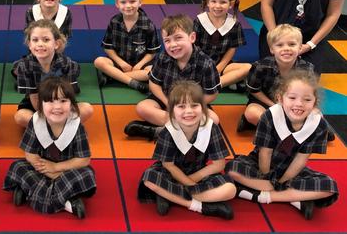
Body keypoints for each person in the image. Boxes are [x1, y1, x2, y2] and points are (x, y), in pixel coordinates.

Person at [226, 70, 338, 220]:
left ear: (315, 102)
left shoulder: (318, 124)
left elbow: (300, 159)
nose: (299, 104)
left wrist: (281, 183)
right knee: (231, 169)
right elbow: (265, 153)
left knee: (329, 187)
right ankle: (294, 199)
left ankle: (261, 196)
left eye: (307, 99)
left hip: (291, 172)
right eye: (292, 97)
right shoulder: (270, 116)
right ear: (280, 98)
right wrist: (267, 178)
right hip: (260, 166)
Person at [137, 81, 235, 220]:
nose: (188, 111)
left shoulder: (210, 128)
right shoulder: (168, 131)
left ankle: (169, 196)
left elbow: (219, 165)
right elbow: (168, 165)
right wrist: (190, 185)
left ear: (203, 108)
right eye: (181, 106)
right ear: (172, 111)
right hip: (171, 173)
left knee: (230, 189)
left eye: (194, 105)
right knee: (150, 179)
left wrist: (190, 181)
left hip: (199, 173)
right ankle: (200, 206)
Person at [3, 77, 95, 218]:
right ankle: (68, 202)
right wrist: (49, 171)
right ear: (41, 104)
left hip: (65, 169)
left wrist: (56, 168)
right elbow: (30, 154)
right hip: (42, 168)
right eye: (51, 101)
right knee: (18, 166)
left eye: (63, 101)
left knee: (87, 174)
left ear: (72, 104)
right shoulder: (36, 122)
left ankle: (29, 193)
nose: (57, 107)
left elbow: (83, 160)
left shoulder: (76, 125)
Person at [125, 14, 221, 140]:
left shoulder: (206, 63)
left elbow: (212, 93)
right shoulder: (162, 58)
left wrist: (188, 106)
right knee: (142, 108)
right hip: (166, 98)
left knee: (213, 120)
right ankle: (182, 131)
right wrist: (168, 103)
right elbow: (154, 84)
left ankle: (158, 131)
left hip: (192, 103)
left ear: (192, 37)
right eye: (167, 40)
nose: (173, 45)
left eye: (178, 38)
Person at [14, 20, 93, 127]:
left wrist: (59, 112)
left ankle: (48, 128)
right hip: (36, 105)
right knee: (20, 117)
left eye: (46, 40)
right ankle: (57, 127)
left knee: (87, 109)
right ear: (29, 44)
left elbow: (70, 95)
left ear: (56, 44)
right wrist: (48, 117)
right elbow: (34, 98)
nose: (40, 44)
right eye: (35, 40)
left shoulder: (68, 64)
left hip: (62, 103)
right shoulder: (24, 66)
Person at [239, 24, 315, 132]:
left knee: (317, 115)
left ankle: (279, 129)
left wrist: (293, 108)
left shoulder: (307, 69)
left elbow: (309, 95)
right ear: (272, 49)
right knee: (252, 113)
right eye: (280, 45)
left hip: (296, 104)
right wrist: (276, 106)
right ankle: (287, 130)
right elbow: (253, 90)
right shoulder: (260, 66)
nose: (286, 49)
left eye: (292, 44)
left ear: (300, 48)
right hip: (266, 103)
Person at [93, 0, 160, 93]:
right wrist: (121, 63)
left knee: (153, 72)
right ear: (117, 4)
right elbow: (108, 47)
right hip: (119, 63)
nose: (128, 6)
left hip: (140, 65)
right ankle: (133, 83)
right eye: (123, 2)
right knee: (98, 61)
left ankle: (113, 77)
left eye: (132, 1)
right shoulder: (114, 22)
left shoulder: (148, 25)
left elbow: (152, 52)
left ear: (140, 2)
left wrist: (139, 65)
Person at [193, 0, 251, 88]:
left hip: (222, 65)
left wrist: (219, 68)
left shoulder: (234, 23)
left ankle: (213, 84)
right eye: (213, 1)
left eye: (223, 2)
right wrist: (205, 67)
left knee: (248, 67)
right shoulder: (199, 21)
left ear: (231, 4)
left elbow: (232, 49)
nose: (217, 6)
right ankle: (223, 82)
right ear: (208, 2)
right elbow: (193, 47)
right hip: (199, 63)